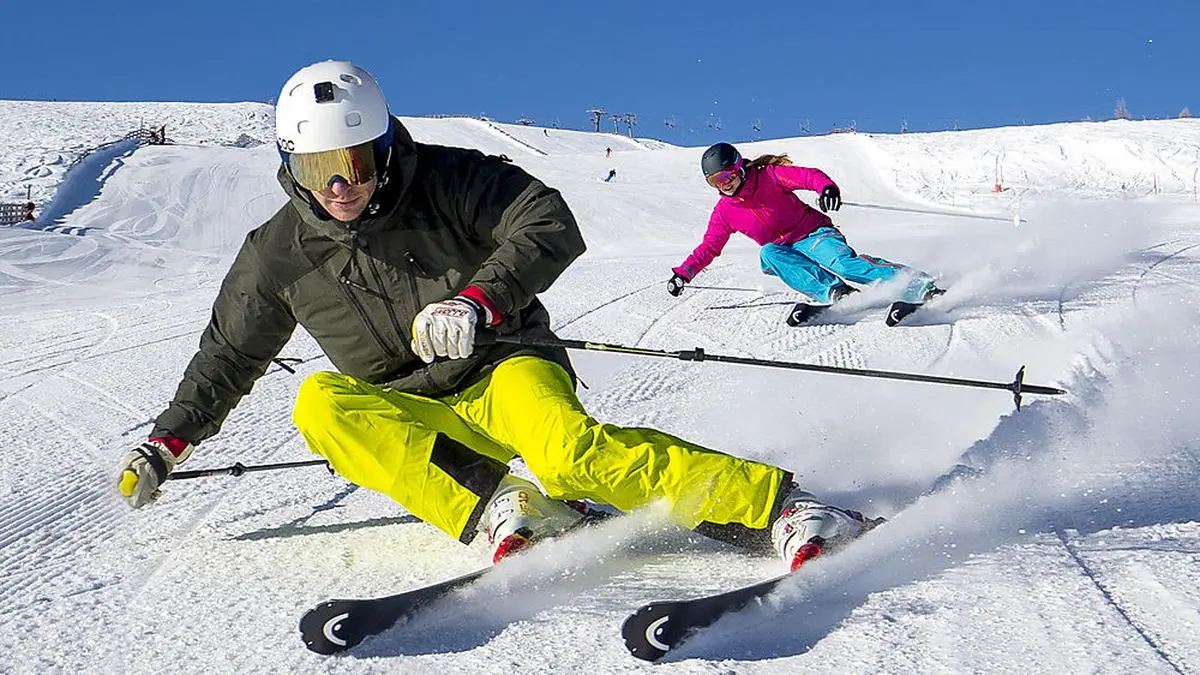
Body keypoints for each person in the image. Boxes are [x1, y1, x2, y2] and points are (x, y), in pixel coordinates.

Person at [115, 60, 876, 571]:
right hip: (412, 405)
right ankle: (505, 507)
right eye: (319, 169)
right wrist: (166, 442)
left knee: (571, 453)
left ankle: (782, 505)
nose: (341, 185)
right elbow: (228, 352)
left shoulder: (444, 178)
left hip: (502, 363)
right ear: (291, 165)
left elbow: (547, 220)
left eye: (356, 162)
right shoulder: (277, 251)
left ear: (383, 148)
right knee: (319, 402)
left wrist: (480, 300)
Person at [668, 142, 941, 311]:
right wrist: (684, 274)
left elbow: (808, 176)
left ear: (739, 168)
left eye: (726, 176)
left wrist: (826, 188)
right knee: (768, 253)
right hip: (785, 250)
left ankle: (918, 285)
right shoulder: (725, 212)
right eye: (715, 181)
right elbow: (709, 247)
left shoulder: (769, 176)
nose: (724, 184)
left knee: (845, 266)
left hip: (813, 234)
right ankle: (834, 291)